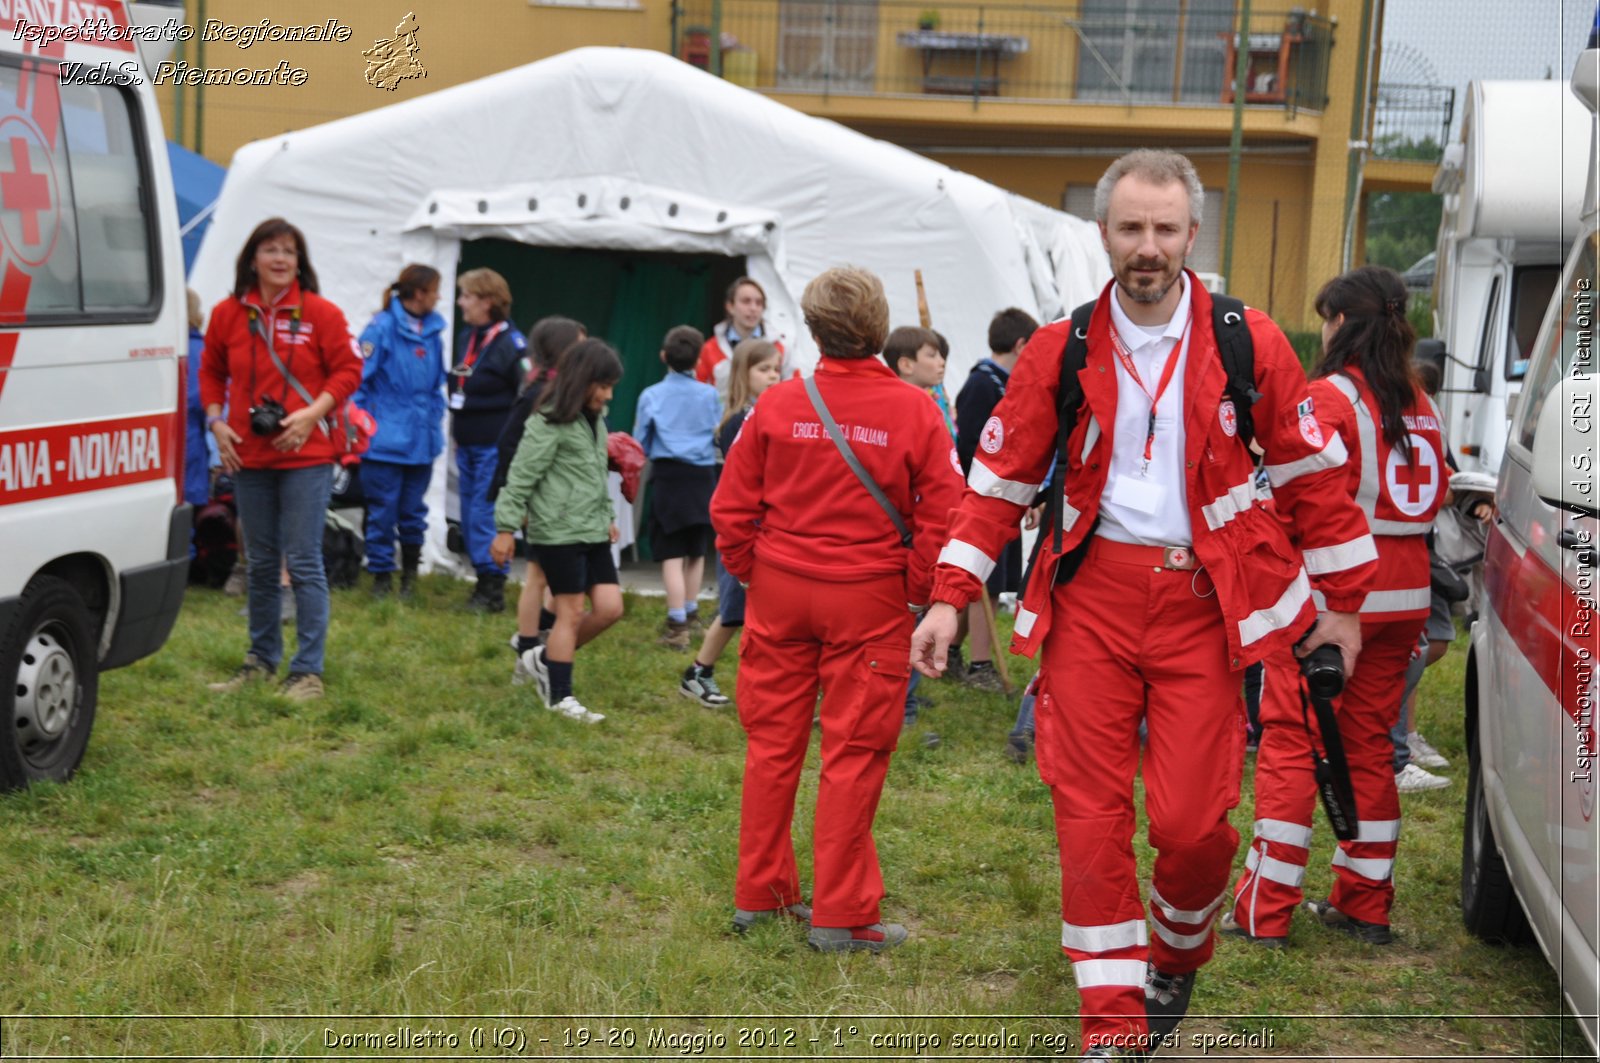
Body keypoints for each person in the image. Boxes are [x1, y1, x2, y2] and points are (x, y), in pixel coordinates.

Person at [909, 150, 1375, 1058]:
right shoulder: (1063, 345)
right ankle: (1112, 1023)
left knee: (1195, 829)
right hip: (1093, 601)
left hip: (1208, 603)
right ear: (1104, 234)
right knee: (1086, 813)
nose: (1148, 247)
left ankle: (1177, 947)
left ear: (1192, 235)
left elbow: (1315, 480)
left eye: (1166, 229)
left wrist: (1346, 606)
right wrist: (947, 597)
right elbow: (996, 484)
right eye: (1131, 228)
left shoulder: (1251, 340)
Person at [713, 266, 965, 952]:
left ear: (815, 328)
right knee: (853, 751)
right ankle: (842, 915)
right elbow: (944, 513)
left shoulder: (778, 404)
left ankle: (759, 897)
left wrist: (755, 575)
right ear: (881, 329)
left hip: (782, 588)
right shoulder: (917, 410)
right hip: (870, 596)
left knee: (772, 745)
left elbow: (731, 507)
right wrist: (915, 588)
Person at [1224, 265, 1449, 950]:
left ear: (1342, 323)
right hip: (1407, 592)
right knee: (1370, 747)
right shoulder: (1420, 401)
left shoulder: (1329, 398)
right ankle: (1366, 902)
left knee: (1292, 740)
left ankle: (1264, 910)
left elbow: (1300, 497)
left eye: (1325, 318)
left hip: (1336, 594)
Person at [202, 217, 363, 701]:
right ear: (253, 257)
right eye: (270, 249)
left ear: (300, 262)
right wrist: (216, 421)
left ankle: (307, 672)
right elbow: (210, 373)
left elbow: (349, 369)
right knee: (261, 562)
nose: (279, 259)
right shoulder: (228, 314)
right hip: (248, 455)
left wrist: (313, 414)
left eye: (288, 251)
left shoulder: (321, 313)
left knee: (305, 561)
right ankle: (260, 661)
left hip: (306, 456)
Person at [492, 339, 626, 724]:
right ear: (582, 380)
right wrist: (505, 528)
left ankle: (542, 658)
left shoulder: (596, 420)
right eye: (603, 385)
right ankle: (560, 697)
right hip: (557, 533)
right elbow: (520, 477)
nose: (608, 394)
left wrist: (607, 515)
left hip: (593, 530)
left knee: (610, 609)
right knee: (570, 612)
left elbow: (594, 475)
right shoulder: (547, 421)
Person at [680, 337, 782, 708]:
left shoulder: (772, 414)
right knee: (734, 609)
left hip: (768, 527)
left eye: (776, 370)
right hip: (744, 529)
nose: (773, 376)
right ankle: (698, 672)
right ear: (743, 373)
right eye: (764, 370)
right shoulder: (738, 421)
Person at [493, 317, 587, 686]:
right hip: (537, 499)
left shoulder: (563, 390)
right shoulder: (537, 393)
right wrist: (522, 504)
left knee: (548, 576)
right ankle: (526, 652)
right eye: (578, 345)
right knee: (536, 575)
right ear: (560, 350)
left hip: (559, 500)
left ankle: (534, 641)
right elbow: (510, 446)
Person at [954, 307, 1039, 693]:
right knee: (981, 585)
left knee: (988, 583)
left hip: (1007, 497)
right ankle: (980, 664)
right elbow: (972, 445)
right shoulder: (983, 385)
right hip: (986, 499)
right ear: (1021, 345)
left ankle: (952, 650)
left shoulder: (1008, 384)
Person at [355, 264, 447, 599]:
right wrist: (366, 426)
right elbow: (357, 383)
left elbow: (438, 383)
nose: (439, 297)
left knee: (413, 511)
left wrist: (435, 416)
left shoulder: (433, 331)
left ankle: (409, 578)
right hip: (385, 442)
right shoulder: (379, 329)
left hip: (422, 440)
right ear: (419, 292)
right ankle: (381, 579)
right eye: (435, 290)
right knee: (383, 511)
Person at [882, 323, 951, 737]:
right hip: (907, 532)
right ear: (905, 364)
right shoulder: (904, 407)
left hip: (927, 533)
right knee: (902, 625)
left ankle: (909, 691)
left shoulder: (932, 400)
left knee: (919, 618)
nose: (941, 362)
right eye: (931, 355)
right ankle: (901, 709)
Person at [635, 324, 722, 650]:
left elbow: (641, 440)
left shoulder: (651, 395)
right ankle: (692, 611)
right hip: (702, 478)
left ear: (663, 357)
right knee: (696, 550)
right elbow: (717, 434)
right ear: (699, 360)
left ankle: (676, 626)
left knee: (671, 553)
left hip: (669, 476)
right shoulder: (710, 394)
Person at [450, 267, 528, 614]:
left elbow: (525, 393)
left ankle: (492, 588)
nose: (460, 302)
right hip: (466, 441)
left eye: (466, 296)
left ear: (488, 301)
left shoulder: (511, 343)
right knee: (469, 512)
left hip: (493, 443)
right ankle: (483, 578)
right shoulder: (469, 336)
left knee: (484, 512)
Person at [695, 276, 791, 403]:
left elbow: (791, 391)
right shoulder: (710, 349)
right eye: (746, 301)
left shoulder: (780, 347)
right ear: (730, 306)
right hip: (725, 420)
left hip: (767, 420)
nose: (753, 308)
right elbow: (699, 394)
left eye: (759, 303)